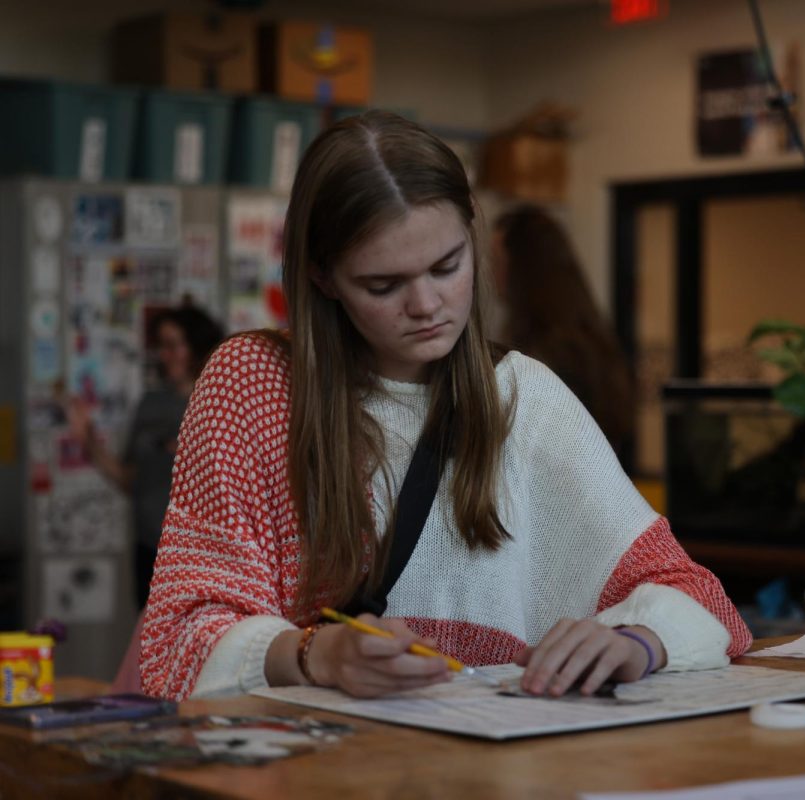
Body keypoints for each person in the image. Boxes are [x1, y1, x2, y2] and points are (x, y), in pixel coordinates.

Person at [140, 112, 751, 702]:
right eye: (383, 285)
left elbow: (702, 599)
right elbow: (178, 641)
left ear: (473, 235)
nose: (427, 304)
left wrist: (637, 642)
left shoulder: (524, 395)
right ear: (323, 277)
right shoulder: (253, 384)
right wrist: (316, 654)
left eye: (447, 266)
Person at [69, 305, 224, 609]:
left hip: (199, 553)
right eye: (160, 346)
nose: (165, 355)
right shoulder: (149, 403)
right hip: (148, 546)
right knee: (149, 642)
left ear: (197, 345)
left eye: (172, 345)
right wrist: (88, 441)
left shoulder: (218, 404)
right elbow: (129, 479)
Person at [492, 205, 634, 450]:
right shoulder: (588, 331)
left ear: (521, 267)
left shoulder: (542, 351)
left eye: (496, 261)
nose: (489, 272)